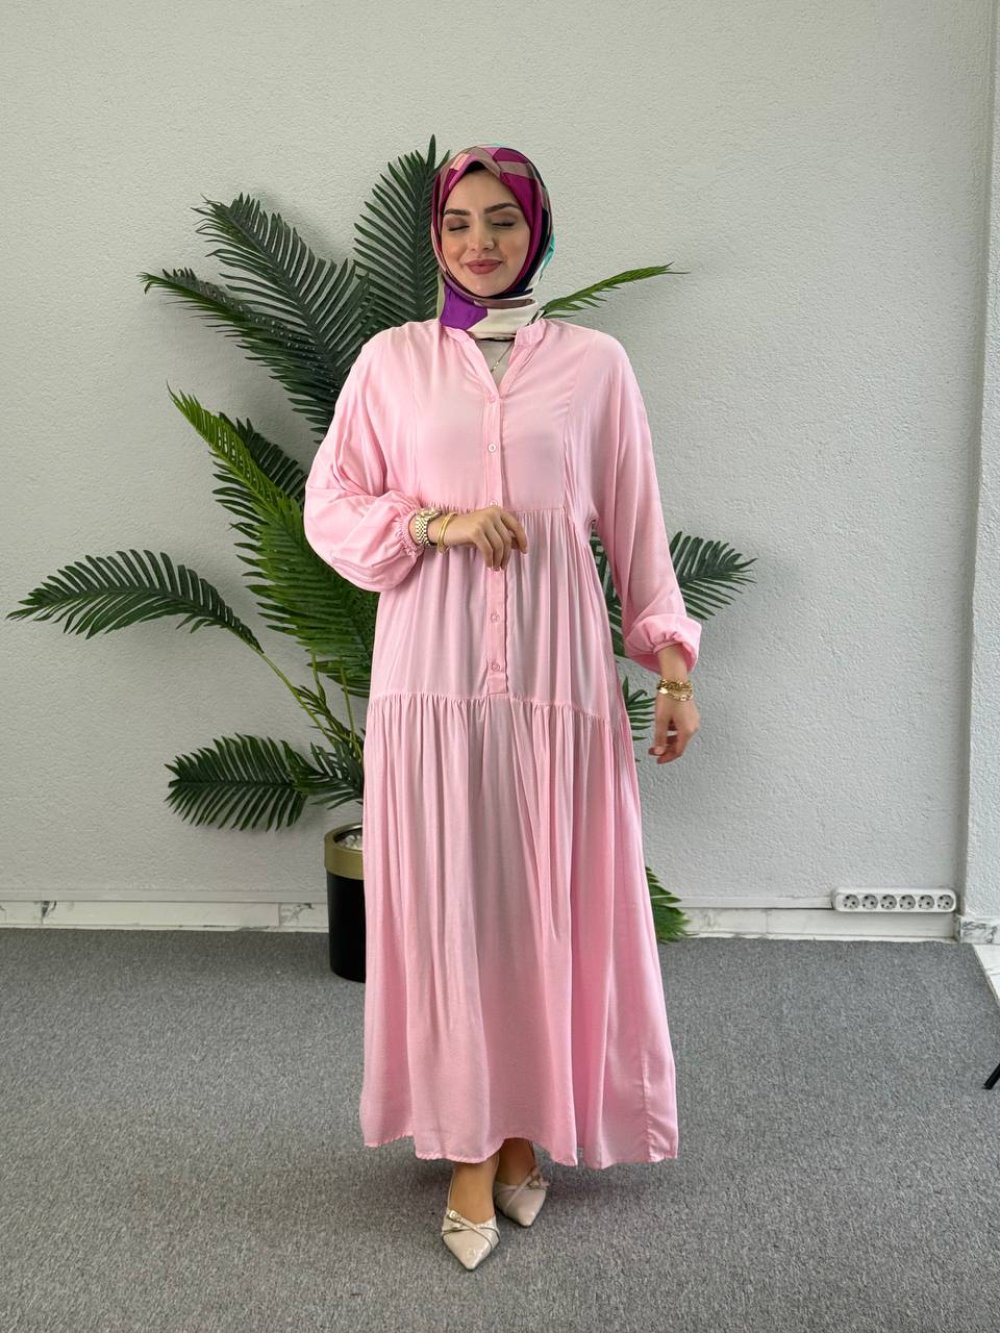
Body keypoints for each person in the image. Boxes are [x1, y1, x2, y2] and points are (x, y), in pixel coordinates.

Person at [303, 143, 702, 1271]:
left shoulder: (594, 365)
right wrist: (435, 523)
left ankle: (524, 1126)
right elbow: (330, 504)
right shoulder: (390, 362)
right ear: (435, 238)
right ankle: (476, 1148)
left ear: (539, 233)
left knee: (543, 910)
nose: (479, 242)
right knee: (454, 916)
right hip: (429, 687)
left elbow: (636, 522)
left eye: (503, 222)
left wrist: (672, 666)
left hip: (554, 686)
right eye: (458, 223)